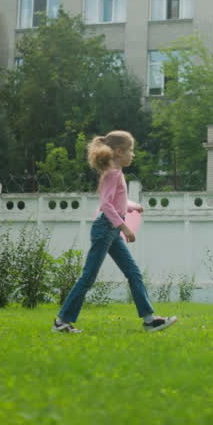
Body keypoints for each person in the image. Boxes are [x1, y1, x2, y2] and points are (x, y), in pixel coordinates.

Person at [53, 130, 177, 335]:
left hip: (109, 230)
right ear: (119, 152)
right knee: (88, 277)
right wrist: (125, 227)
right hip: (105, 229)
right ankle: (61, 322)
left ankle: (149, 321)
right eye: (130, 151)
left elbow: (116, 203)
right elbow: (106, 205)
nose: (133, 155)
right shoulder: (113, 173)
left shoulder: (115, 173)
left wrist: (132, 206)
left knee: (133, 272)